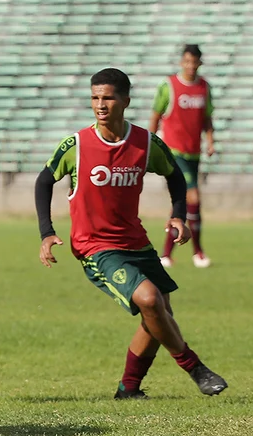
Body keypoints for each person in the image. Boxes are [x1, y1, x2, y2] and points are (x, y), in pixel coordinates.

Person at [34, 68, 228, 400]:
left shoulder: (144, 142)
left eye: (107, 97)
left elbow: (176, 177)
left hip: (135, 241)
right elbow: (43, 182)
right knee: (150, 300)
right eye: (95, 97)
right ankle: (195, 367)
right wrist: (46, 233)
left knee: (159, 313)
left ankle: (129, 389)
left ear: (125, 100)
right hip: (94, 246)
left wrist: (178, 216)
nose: (100, 104)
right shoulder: (77, 144)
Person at [149, 44, 216, 268]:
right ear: (181, 62)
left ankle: (167, 253)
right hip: (173, 151)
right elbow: (156, 114)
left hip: (193, 153)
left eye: (194, 62)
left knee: (181, 201)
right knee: (193, 197)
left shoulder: (204, 87)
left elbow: (207, 118)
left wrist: (210, 141)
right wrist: (150, 141)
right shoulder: (169, 85)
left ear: (199, 63)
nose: (190, 65)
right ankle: (198, 252)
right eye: (186, 61)